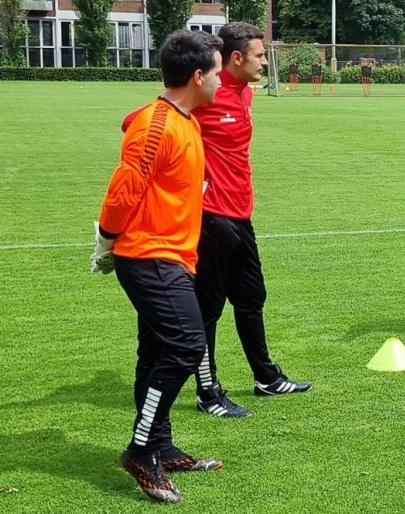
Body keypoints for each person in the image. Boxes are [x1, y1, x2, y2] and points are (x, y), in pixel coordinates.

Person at [90, 29, 225, 503]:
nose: (219, 81)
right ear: (196, 75)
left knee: (156, 354)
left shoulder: (183, 119)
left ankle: (161, 446)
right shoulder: (159, 125)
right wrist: (106, 242)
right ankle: (141, 450)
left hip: (173, 255)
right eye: (215, 72)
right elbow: (123, 190)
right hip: (149, 256)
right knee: (187, 346)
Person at [190, 22, 312, 418]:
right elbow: (155, 112)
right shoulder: (205, 94)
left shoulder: (246, 92)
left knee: (251, 297)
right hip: (212, 218)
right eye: (260, 55)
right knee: (209, 308)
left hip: (242, 214)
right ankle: (207, 392)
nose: (265, 61)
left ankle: (266, 378)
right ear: (236, 58)